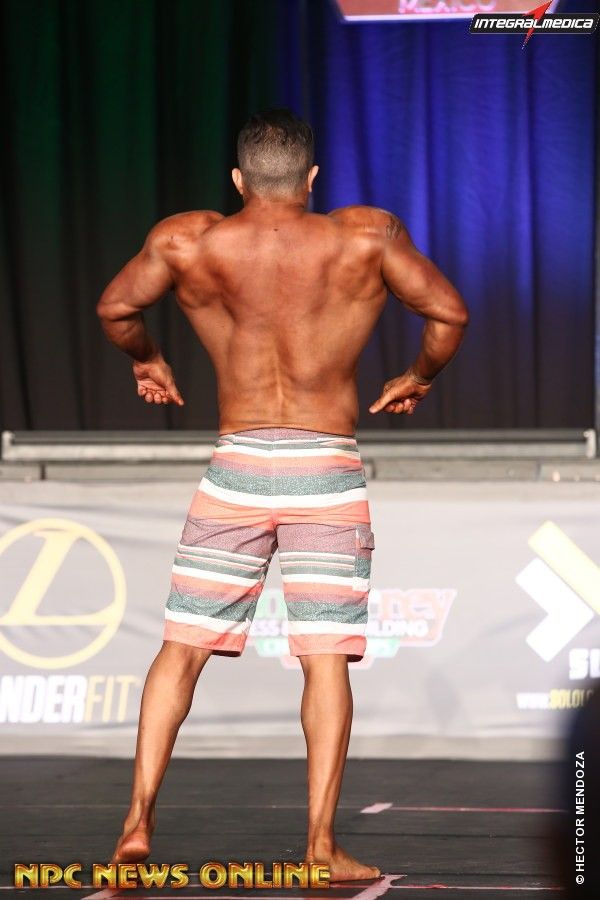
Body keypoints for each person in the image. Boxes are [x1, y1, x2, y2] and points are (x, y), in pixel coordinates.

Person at [97, 107, 468, 880]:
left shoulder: (188, 241)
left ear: (238, 179)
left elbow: (115, 307)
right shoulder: (366, 236)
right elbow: (449, 313)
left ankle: (135, 824)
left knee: (181, 649)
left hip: (234, 465)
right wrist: (417, 377)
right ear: (312, 178)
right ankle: (320, 846)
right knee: (324, 659)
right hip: (324, 469)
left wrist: (148, 359)